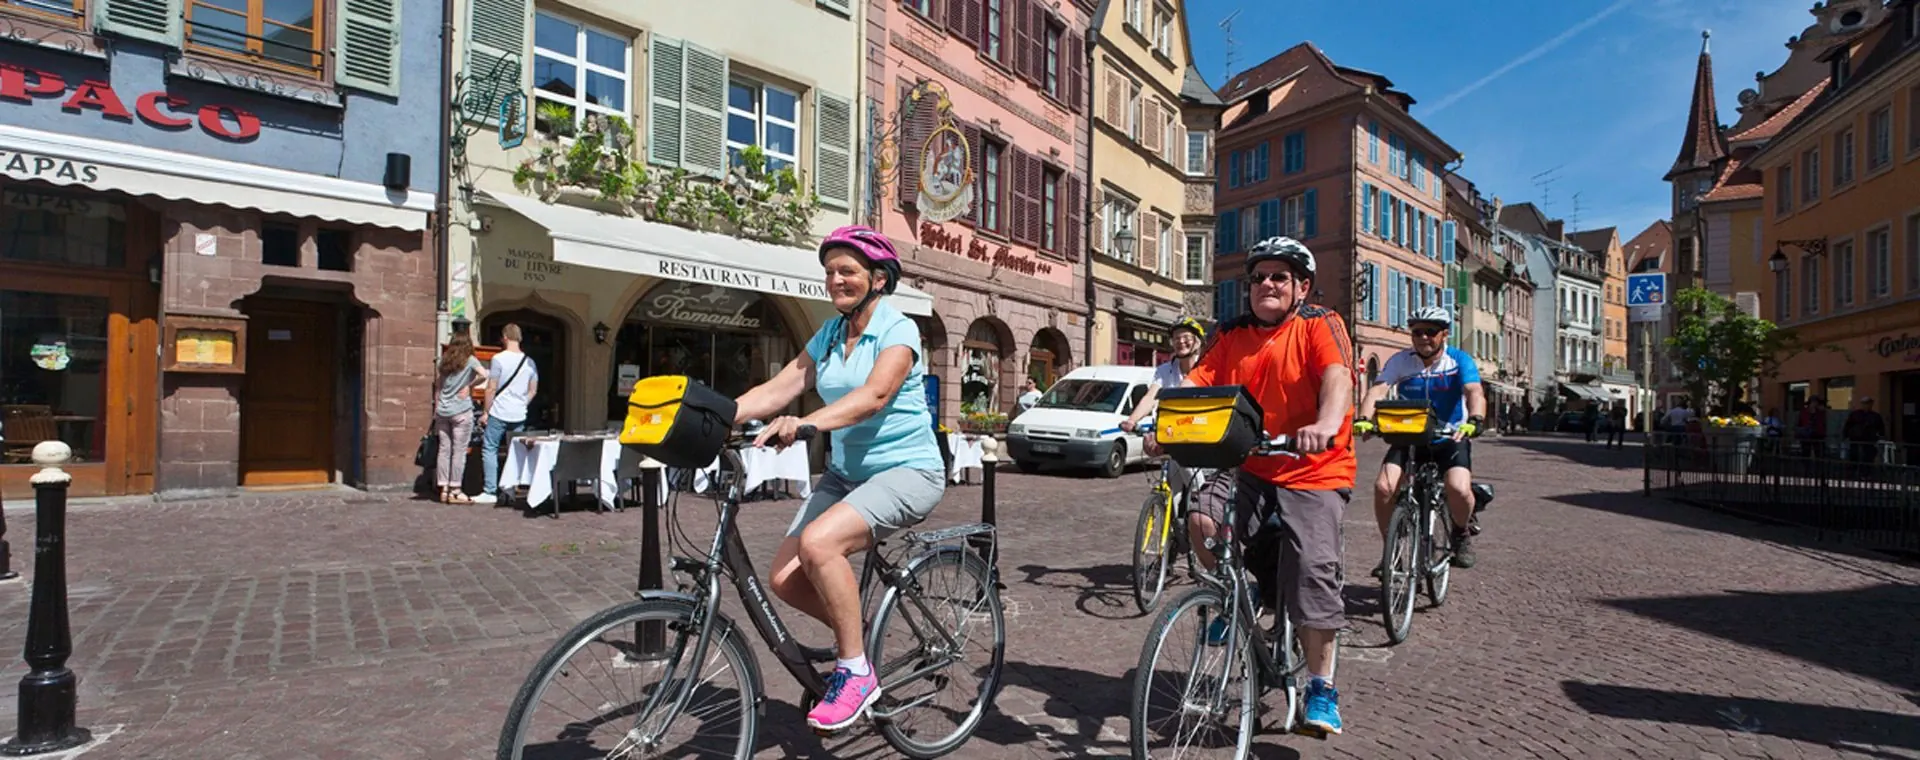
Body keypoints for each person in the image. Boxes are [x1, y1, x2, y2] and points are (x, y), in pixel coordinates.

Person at [730, 225, 946, 733]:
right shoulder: (829, 333)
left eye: (846, 271)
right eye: (829, 272)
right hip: (849, 475)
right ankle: (860, 633)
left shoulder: (899, 330)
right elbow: (782, 385)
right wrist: (714, 414)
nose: (835, 280)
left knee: (820, 544)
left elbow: (874, 396)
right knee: (785, 579)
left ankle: (854, 671)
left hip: (908, 471)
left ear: (877, 279)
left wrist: (808, 423)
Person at [1142, 236, 1355, 735]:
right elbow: (1197, 385)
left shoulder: (1321, 324)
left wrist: (1325, 423)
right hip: (1253, 462)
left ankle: (1321, 688)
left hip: (1313, 466)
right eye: (1258, 277)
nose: (1266, 285)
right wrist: (1164, 426)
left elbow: (1338, 377)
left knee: (1312, 569)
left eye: (1279, 276)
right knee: (1200, 517)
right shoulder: (1231, 332)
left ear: (1302, 287)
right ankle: (1240, 594)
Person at [1353, 305, 1486, 572]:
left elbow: (1474, 391)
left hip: (1449, 436)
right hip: (1408, 436)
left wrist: (1475, 420)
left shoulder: (1459, 360)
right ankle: (1391, 550)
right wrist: (1364, 418)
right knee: (1383, 487)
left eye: (1431, 332)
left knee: (1459, 488)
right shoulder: (1402, 361)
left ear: (1445, 334)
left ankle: (1460, 533)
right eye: (1417, 333)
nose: (1423, 338)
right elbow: (1378, 389)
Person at [474, 324, 538, 505]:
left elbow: (491, 387)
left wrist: (486, 411)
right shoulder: (529, 362)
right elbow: (533, 390)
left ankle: (490, 490)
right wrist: (522, 404)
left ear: (504, 337)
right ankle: (510, 488)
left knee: (490, 448)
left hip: (499, 412)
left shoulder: (498, 359)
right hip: (519, 414)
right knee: (515, 452)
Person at [432, 329, 489, 504]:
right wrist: (470, 385)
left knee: (444, 450)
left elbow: (438, 386)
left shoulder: (443, 362)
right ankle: (455, 489)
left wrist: (437, 407)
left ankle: (443, 488)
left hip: (443, 410)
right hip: (461, 410)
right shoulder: (470, 360)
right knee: (459, 451)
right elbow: (484, 374)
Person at [1842, 396, 1885, 465]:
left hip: (1869, 440)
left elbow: (1881, 428)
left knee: (1868, 457)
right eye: (1865, 403)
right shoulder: (1855, 414)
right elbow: (1848, 425)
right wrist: (1845, 436)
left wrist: (1880, 436)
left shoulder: (1875, 416)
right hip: (1855, 439)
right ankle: (1854, 471)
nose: (1867, 405)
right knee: (1854, 456)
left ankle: (1866, 472)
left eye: (1868, 403)